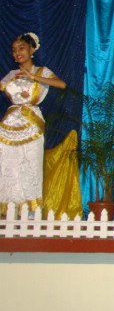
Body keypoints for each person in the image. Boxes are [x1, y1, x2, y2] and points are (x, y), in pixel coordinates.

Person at [0, 33, 66, 217]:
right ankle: (8, 209)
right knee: (8, 164)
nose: (17, 52)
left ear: (32, 50)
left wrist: (34, 77)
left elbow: (61, 84)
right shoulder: (11, 75)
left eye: (21, 48)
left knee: (30, 164)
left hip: (31, 121)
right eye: (14, 50)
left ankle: (30, 211)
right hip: (9, 123)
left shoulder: (41, 71)